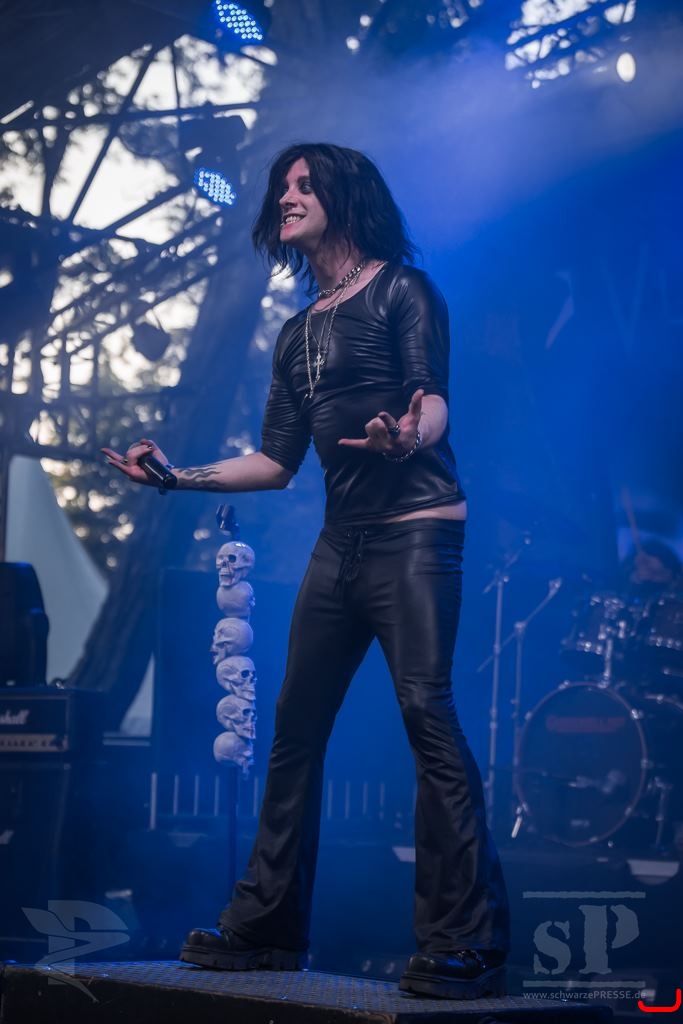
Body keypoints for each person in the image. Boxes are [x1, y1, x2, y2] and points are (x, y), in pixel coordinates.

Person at [103, 142, 510, 1000]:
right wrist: (174, 478)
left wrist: (408, 434)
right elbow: (275, 462)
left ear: (344, 195)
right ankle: (267, 928)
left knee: (424, 713)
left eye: (302, 184)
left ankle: (465, 940)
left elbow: (431, 400)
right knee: (292, 727)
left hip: (415, 534)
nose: (285, 197)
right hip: (340, 544)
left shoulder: (403, 290)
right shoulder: (296, 333)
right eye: (280, 187)